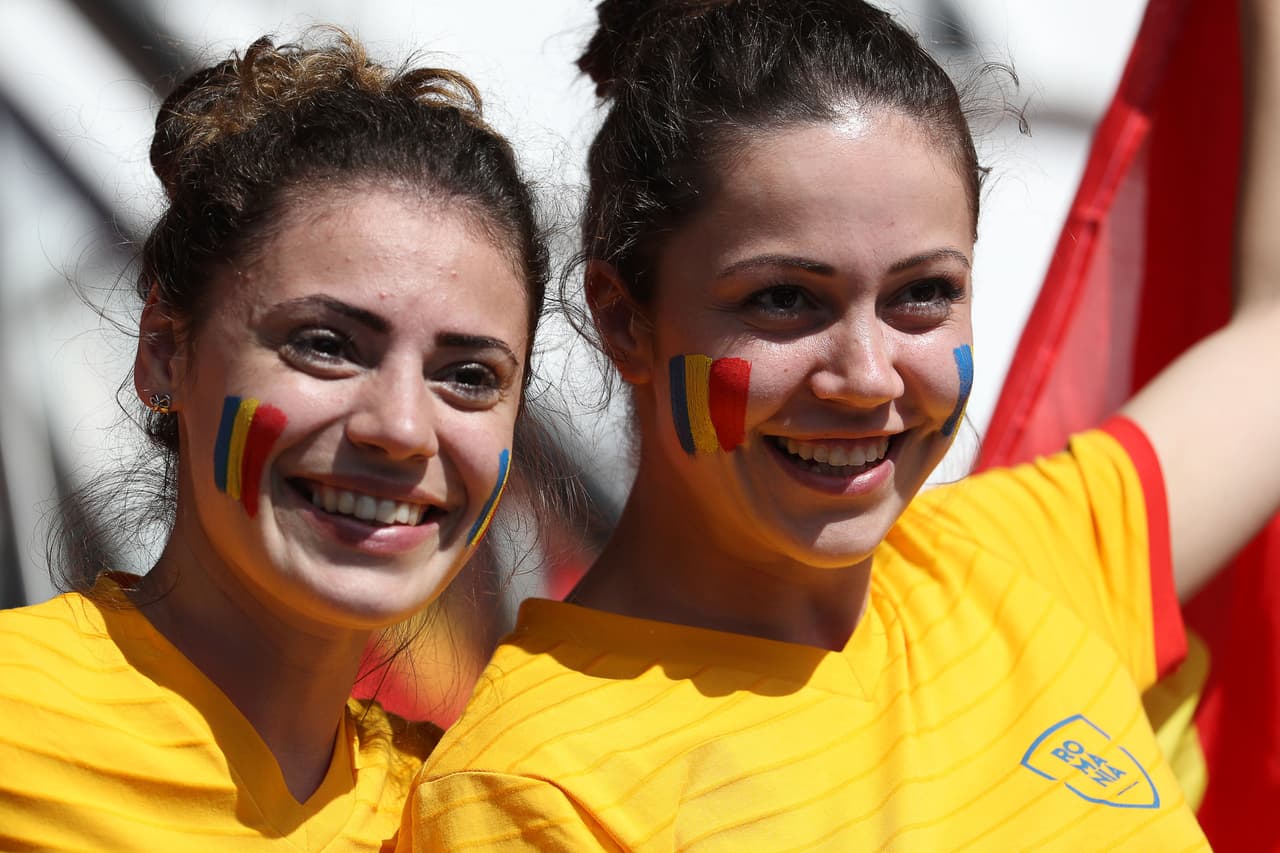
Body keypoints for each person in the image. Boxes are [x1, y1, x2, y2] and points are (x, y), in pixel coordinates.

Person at [400, 0, 1280, 849]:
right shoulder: (532, 791)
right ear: (626, 319)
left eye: (922, 294)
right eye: (783, 299)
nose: (866, 376)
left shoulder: (1023, 555)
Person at [0, 29, 547, 850]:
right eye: (324, 344)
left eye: (468, 375)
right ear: (165, 353)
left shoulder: (483, 813)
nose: (400, 428)